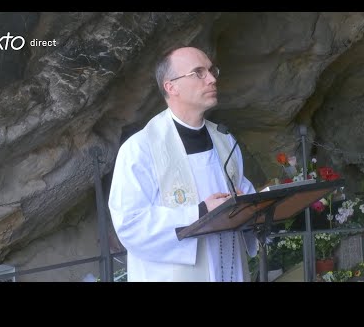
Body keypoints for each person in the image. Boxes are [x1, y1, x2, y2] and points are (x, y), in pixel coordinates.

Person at [108, 46, 258, 282]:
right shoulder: (141, 148)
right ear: (171, 86)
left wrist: (251, 204)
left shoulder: (224, 139)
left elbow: (243, 190)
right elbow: (130, 223)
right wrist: (199, 212)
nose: (211, 79)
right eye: (198, 73)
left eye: (211, 70)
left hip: (229, 265)